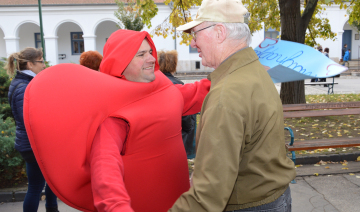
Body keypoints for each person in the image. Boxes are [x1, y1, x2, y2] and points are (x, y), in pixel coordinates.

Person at [23, 30, 210, 212]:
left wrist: (228, 76)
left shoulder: (162, 87)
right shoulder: (115, 114)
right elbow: (105, 169)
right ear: (121, 62)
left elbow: (193, 94)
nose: (152, 58)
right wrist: (116, 206)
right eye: (141, 54)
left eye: (151, 52)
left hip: (179, 201)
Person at [169, 0, 296, 212]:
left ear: (219, 32)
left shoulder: (227, 94)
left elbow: (208, 193)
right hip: (275, 196)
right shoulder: (254, 69)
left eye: (195, 34)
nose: (192, 42)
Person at [5, 47, 59, 212]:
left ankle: (52, 208)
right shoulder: (23, 86)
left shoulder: (25, 82)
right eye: (41, 62)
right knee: (36, 186)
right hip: (33, 144)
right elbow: (29, 119)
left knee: (52, 180)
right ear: (29, 64)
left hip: (31, 142)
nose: (44, 65)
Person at [158, 50, 196, 157]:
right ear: (173, 65)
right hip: (175, 135)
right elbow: (185, 116)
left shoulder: (152, 83)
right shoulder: (178, 85)